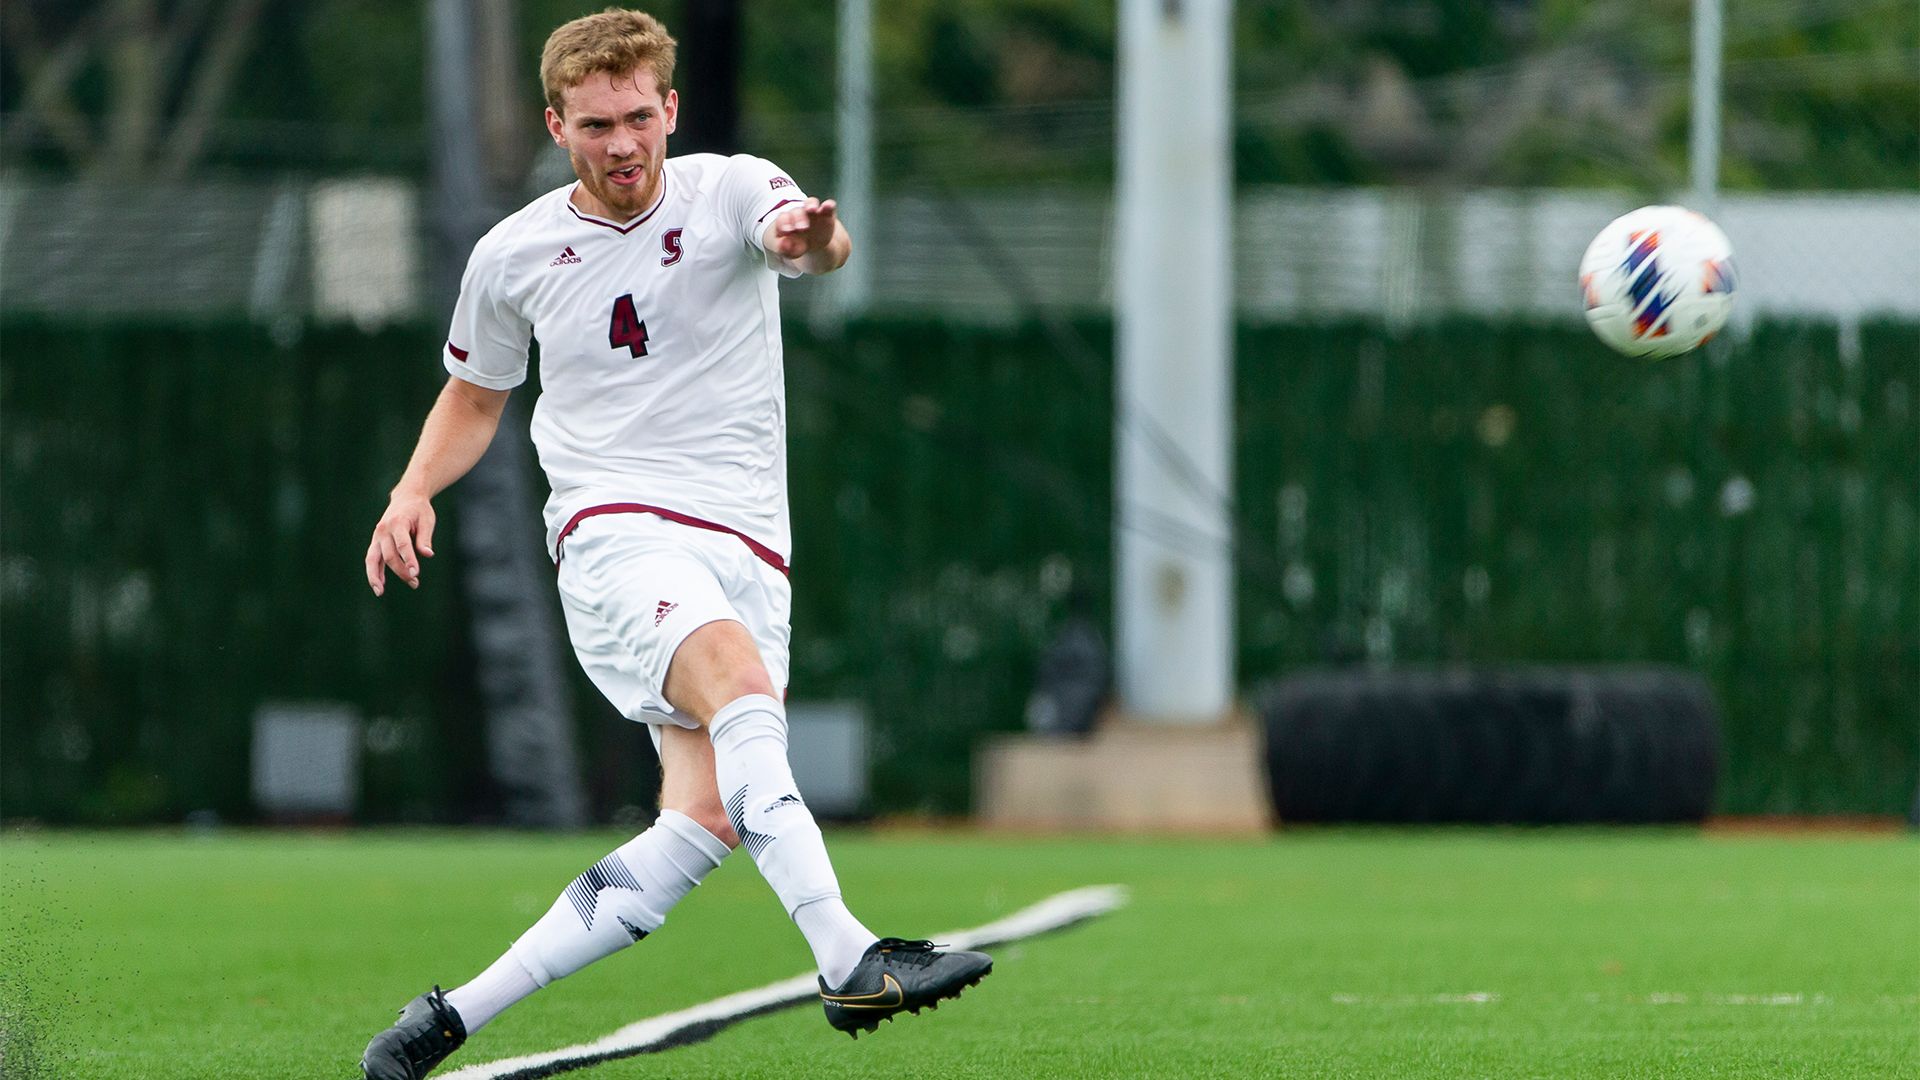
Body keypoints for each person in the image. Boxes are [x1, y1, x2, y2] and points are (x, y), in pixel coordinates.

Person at [357, 10, 990, 1078]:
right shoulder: (511, 255)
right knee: (738, 685)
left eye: (639, 118)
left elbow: (811, 242)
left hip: (749, 546)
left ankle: (446, 1019)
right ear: (557, 126)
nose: (622, 143)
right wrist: (412, 488)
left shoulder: (732, 189)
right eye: (596, 124)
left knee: (701, 821)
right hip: (617, 535)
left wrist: (812, 241)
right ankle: (848, 956)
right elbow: (474, 396)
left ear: (671, 110)